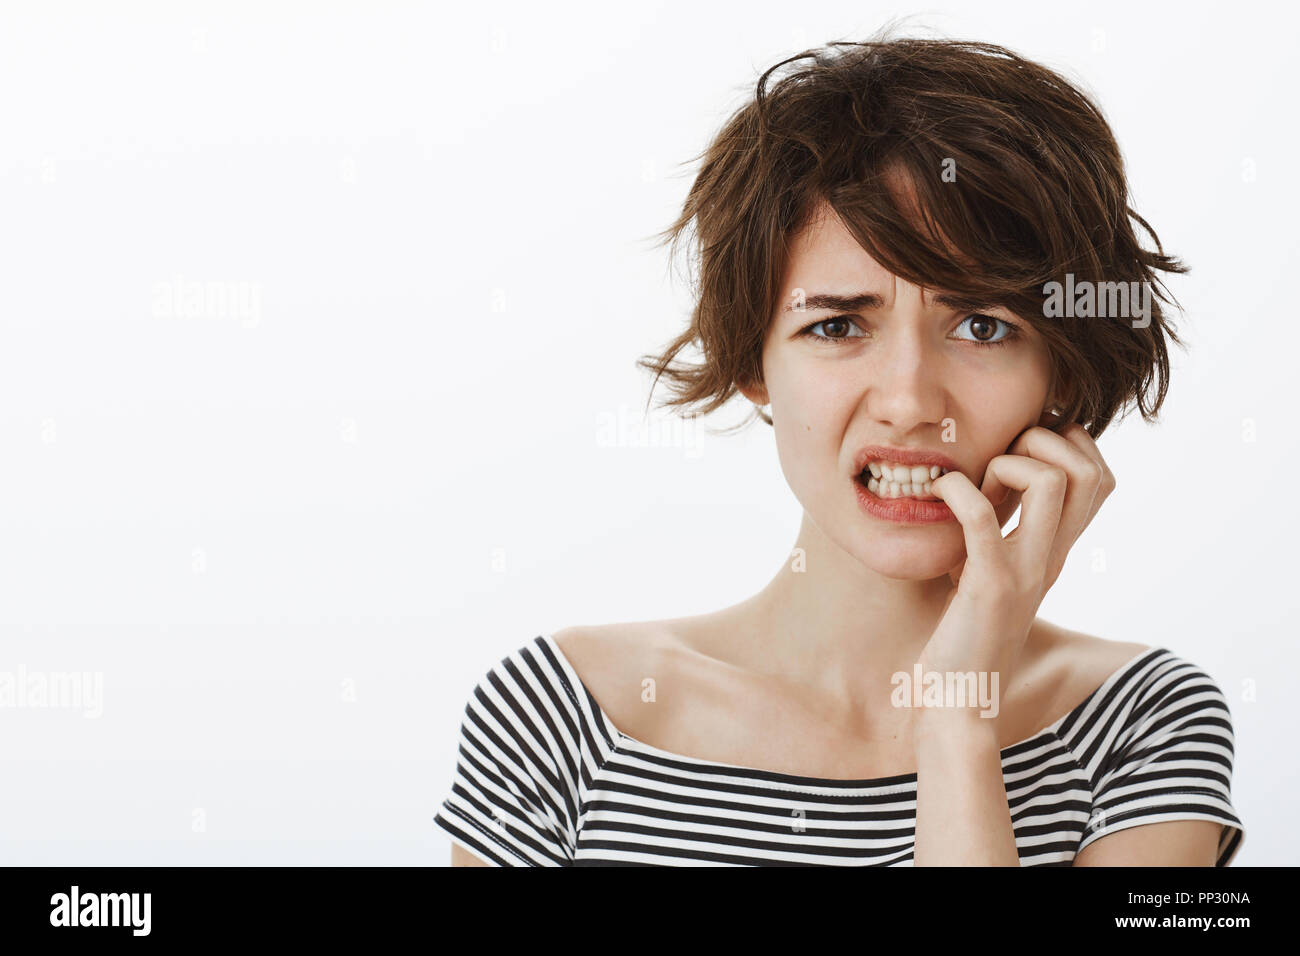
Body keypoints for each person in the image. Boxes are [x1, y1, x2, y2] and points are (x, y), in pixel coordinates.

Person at [434, 34, 1245, 866]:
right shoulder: (562, 715)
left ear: (1059, 372)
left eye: (982, 326)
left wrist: (956, 720)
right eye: (837, 325)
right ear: (754, 362)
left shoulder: (1145, 722)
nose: (909, 402)